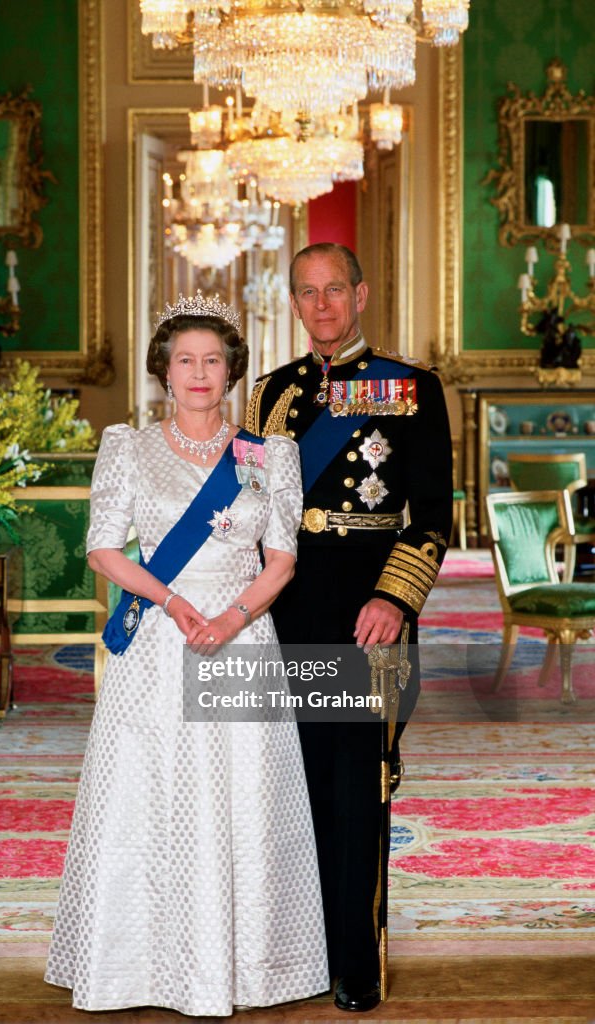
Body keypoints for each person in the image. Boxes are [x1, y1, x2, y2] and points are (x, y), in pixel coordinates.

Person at [44, 292, 329, 1016]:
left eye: (212, 361)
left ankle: (251, 968)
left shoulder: (268, 456)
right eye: (185, 361)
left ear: (231, 371)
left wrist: (232, 617)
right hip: (160, 644)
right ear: (164, 373)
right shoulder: (128, 447)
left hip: (241, 635)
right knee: (149, 798)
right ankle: (137, 967)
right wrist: (174, 604)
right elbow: (103, 549)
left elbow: (282, 561)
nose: (199, 373)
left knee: (246, 802)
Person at [246, 243, 454, 1012]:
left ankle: (354, 958)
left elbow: (433, 518)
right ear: (294, 303)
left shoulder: (411, 387)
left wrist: (395, 600)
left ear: (361, 295)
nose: (323, 305)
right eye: (308, 293)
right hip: (287, 610)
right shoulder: (267, 395)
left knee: (354, 789)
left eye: (336, 289)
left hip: (368, 615)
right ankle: (299, 948)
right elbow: (250, 512)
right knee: (291, 785)